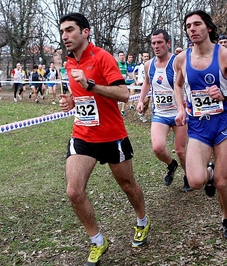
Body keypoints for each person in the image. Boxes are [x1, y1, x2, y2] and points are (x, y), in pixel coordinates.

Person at [58, 13, 150, 266]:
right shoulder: (68, 63)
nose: (65, 36)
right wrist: (72, 101)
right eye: (62, 31)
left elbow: (122, 94)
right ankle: (98, 241)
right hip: (83, 135)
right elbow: (85, 99)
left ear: (85, 32)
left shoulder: (102, 57)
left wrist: (90, 86)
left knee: (128, 185)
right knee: (74, 191)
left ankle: (142, 220)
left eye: (70, 30)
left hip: (112, 137)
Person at [174, 10, 227, 239]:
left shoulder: (225, 55)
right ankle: (207, 173)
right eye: (188, 26)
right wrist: (180, 108)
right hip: (198, 125)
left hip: (223, 125)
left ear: (208, 27)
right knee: (195, 181)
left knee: (221, 182)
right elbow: (178, 85)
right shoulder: (182, 59)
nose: (192, 29)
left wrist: (225, 94)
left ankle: (226, 217)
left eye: (197, 24)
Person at [137, 29, 191, 192]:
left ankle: (188, 176)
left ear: (168, 43)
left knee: (181, 150)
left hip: (178, 112)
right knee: (158, 148)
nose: (156, 46)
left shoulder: (177, 62)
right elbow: (147, 82)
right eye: (153, 43)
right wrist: (141, 99)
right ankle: (171, 164)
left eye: (160, 42)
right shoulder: (148, 65)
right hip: (160, 113)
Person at [133, 51, 150, 123]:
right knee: (145, 100)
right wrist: (136, 81)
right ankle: (139, 109)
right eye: (145, 56)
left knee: (147, 104)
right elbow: (133, 73)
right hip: (142, 85)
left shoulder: (151, 64)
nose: (146, 58)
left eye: (147, 56)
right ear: (142, 57)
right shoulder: (139, 65)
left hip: (149, 84)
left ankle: (142, 114)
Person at [117, 51, 128, 116]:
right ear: (118, 57)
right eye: (120, 55)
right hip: (118, 82)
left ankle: (123, 110)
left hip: (125, 82)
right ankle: (116, 109)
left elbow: (126, 72)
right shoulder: (116, 63)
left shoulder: (126, 63)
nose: (122, 57)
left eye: (123, 55)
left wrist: (129, 75)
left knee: (124, 96)